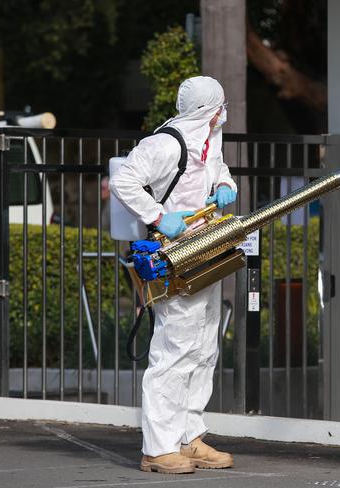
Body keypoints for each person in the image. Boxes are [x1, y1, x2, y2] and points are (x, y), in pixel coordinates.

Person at [110, 76, 237, 474]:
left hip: (206, 251)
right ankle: (158, 447)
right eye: (219, 106)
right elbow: (123, 180)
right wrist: (161, 218)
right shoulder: (166, 144)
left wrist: (224, 184)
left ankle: (189, 436)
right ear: (208, 109)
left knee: (203, 347)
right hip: (173, 256)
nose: (222, 113)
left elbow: (218, 167)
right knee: (174, 350)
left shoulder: (208, 138)